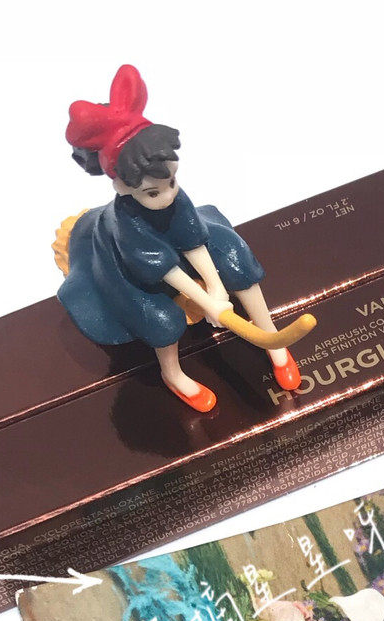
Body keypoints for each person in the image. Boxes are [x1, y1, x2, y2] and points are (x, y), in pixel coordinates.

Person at [59, 64, 301, 411]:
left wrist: (216, 287)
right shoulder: (126, 222)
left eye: (172, 182)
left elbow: (192, 239)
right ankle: (172, 374)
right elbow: (162, 268)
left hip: (176, 257)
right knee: (161, 317)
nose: (169, 195)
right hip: (130, 270)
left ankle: (273, 339)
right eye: (153, 192)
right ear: (122, 186)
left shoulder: (172, 195)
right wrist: (207, 303)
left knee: (234, 256)